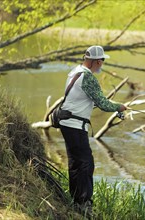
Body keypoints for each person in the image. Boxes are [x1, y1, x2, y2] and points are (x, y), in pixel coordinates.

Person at [59, 45, 126, 214]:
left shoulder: (75, 71)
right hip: (75, 126)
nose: (102, 64)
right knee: (85, 163)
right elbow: (103, 103)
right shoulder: (88, 77)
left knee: (76, 163)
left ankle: (76, 201)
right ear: (97, 61)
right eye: (102, 61)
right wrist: (120, 107)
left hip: (67, 123)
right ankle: (83, 204)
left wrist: (115, 108)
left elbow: (88, 99)